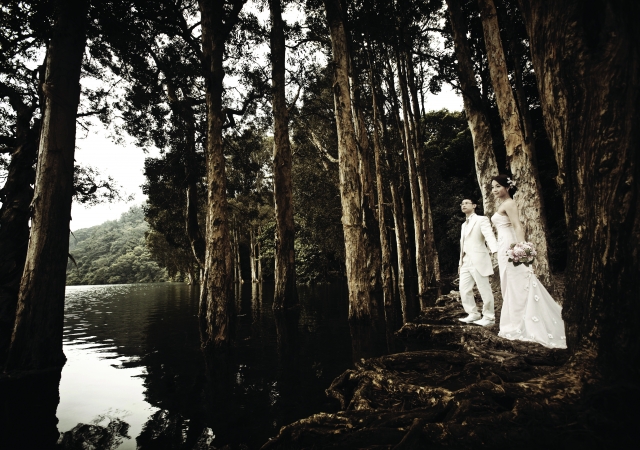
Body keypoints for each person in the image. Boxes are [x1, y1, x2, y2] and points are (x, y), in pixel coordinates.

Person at [490, 174, 566, 348]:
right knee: (509, 283)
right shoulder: (502, 204)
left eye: (498, 186)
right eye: (493, 187)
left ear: (507, 187)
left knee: (517, 283)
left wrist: (521, 248)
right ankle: (517, 321)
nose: (494, 190)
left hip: (510, 245)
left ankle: (519, 324)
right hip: (503, 246)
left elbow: (517, 225)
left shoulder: (509, 203)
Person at [458, 199, 498, 327]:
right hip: (465, 261)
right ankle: (473, 313)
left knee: (484, 289)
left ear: (474, 206)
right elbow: (462, 245)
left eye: (466, 203)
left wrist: (495, 251)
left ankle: (489, 317)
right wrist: (460, 263)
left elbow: (489, 236)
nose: (463, 205)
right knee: (464, 289)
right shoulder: (463, 225)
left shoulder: (481, 219)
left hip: (479, 259)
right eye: (462, 204)